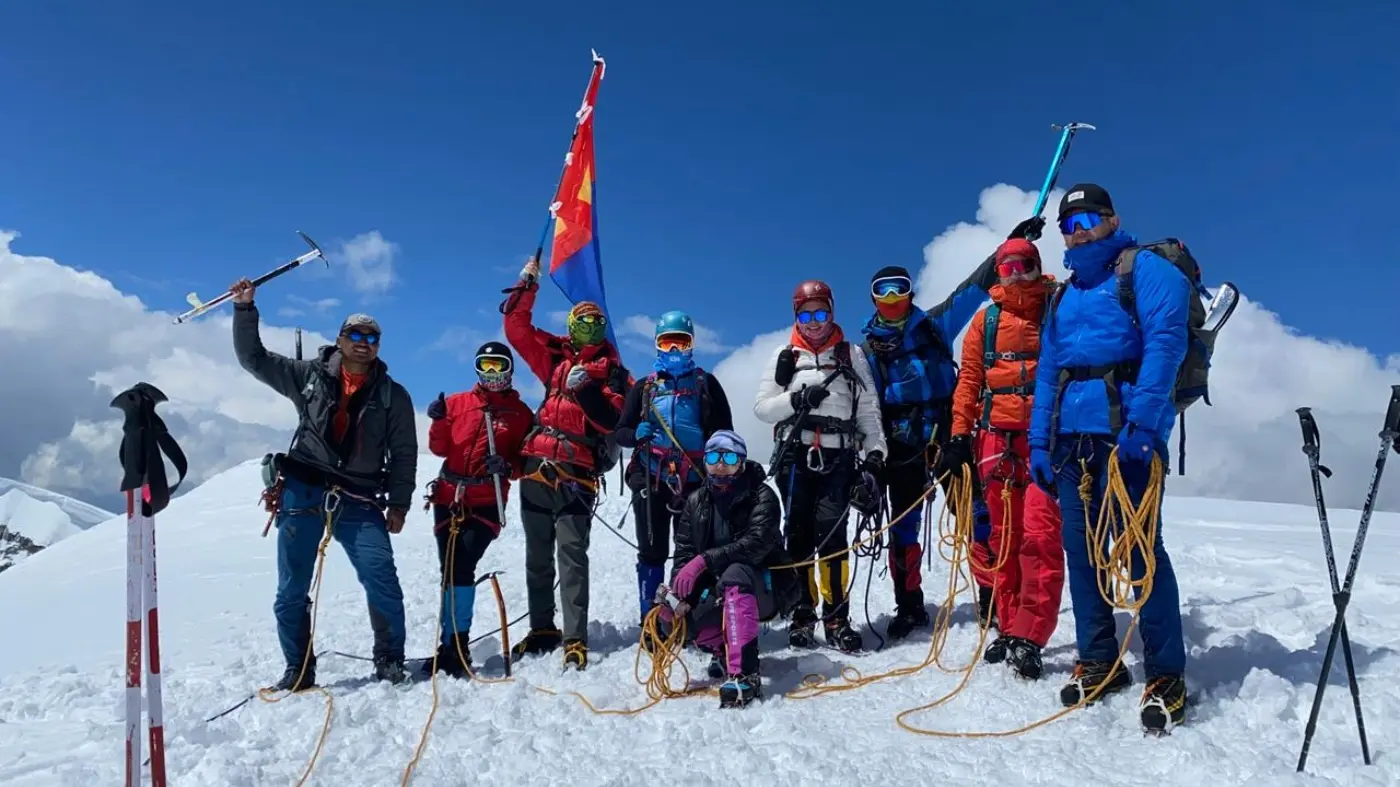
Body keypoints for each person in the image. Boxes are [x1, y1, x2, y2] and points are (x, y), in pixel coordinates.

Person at [1028, 183, 1189, 733]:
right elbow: (1049, 372)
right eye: (1067, 225)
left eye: (1087, 220)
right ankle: (1101, 658)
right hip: (1072, 443)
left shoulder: (1144, 269)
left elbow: (1167, 343)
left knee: (1142, 551)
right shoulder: (1062, 293)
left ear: (1112, 218)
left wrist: (1144, 424)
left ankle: (1167, 671)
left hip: (1127, 437)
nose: (1077, 232)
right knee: (1083, 553)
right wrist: (1039, 443)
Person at [231, 280, 417, 688]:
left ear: (379, 346)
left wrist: (399, 504)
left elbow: (404, 454)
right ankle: (298, 669)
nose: (363, 342)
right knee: (291, 587)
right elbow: (254, 359)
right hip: (303, 485)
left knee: (380, 574)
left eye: (372, 337)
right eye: (355, 334)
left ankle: (389, 658)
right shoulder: (307, 376)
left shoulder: (393, 396)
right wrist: (246, 311)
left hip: (360, 496)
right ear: (340, 339)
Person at [859, 253, 1004, 640]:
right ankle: (908, 605)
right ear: (873, 299)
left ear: (911, 292)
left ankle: (992, 595)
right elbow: (868, 405)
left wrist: (1009, 248)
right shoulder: (869, 351)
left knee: (975, 514)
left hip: (948, 434)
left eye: (899, 288)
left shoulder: (935, 325)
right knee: (904, 526)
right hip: (902, 444)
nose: (892, 297)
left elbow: (972, 290)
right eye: (882, 290)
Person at [944, 237, 1064, 681]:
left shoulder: (1057, 306)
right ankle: (1010, 627)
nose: (1017, 274)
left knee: (1041, 536)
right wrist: (959, 432)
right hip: (995, 438)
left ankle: (1032, 634)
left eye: (1025, 265)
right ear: (998, 272)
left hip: (1045, 439)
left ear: (1038, 266)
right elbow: (970, 379)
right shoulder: (985, 321)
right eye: (1008, 267)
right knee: (1002, 537)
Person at [503, 258, 629, 671]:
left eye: (596, 323)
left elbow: (614, 420)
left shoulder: (614, 374)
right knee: (537, 557)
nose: (589, 329)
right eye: (582, 322)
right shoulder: (554, 359)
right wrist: (527, 285)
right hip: (537, 468)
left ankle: (575, 638)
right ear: (572, 327)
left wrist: (589, 389)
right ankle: (543, 629)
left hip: (577, 474)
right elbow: (516, 330)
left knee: (571, 557)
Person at [754, 280, 887, 653]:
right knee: (797, 533)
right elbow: (762, 409)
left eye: (821, 313)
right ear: (796, 315)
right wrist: (796, 399)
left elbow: (868, 408)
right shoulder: (784, 355)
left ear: (832, 311)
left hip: (839, 455)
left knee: (832, 533)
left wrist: (876, 456)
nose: (814, 322)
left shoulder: (850, 354)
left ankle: (836, 615)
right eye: (806, 314)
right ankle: (802, 613)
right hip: (795, 455)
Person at [613, 310, 734, 635]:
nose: (675, 350)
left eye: (681, 342)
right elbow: (620, 432)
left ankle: (685, 619)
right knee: (652, 552)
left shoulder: (706, 385)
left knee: (691, 552)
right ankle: (652, 621)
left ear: (692, 344)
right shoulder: (644, 388)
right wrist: (634, 433)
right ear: (657, 346)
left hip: (695, 481)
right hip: (651, 478)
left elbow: (726, 432)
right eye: (667, 343)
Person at [422, 341, 534, 677]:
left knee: (462, 564)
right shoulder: (457, 403)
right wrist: (440, 420)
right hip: (449, 498)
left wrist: (508, 466)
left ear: (510, 369)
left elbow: (524, 462)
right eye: (486, 366)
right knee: (450, 571)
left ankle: (457, 646)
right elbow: (439, 448)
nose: (493, 373)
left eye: (499, 365)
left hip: (487, 501)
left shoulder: (521, 414)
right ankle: (451, 646)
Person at [664, 430, 798, 708]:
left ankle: (745, 673)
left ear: (742, 461)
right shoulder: (696, 501)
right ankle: (722, 651)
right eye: (713, 456)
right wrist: (679, 594)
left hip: (764, 587)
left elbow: (756, 544)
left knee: (735, 573)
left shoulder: (762, 496)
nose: (720, 463)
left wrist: (704, 560)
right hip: (720, 589)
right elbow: (684, 555)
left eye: (729, 456)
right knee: (672, 613)